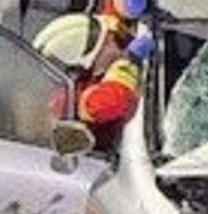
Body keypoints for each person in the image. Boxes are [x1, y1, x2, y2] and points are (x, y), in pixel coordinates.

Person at [33, 11, 143, 141]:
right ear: (87, 65)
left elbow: (114, 11)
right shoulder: (70, 102)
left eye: (113, 38)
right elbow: (115, 100)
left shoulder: (101, 58)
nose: (115, 46)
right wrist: (129, 63)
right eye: (106, 45)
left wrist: (121, 2)